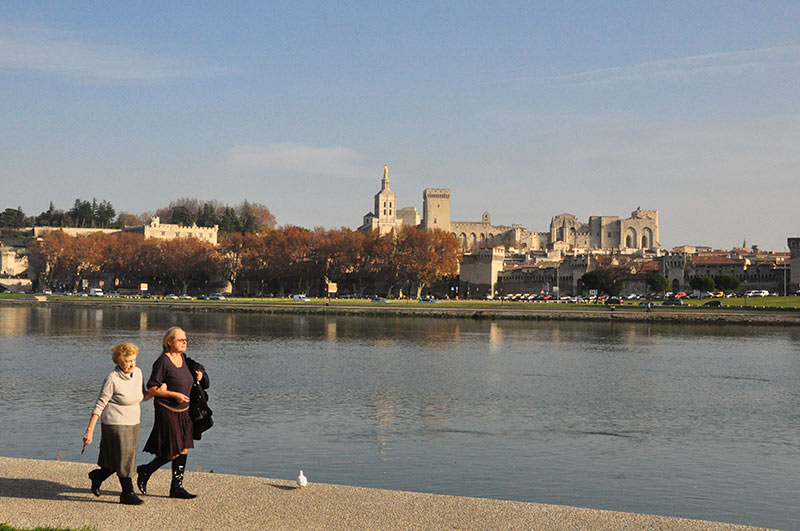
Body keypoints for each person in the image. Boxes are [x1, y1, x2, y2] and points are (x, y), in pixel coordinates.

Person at [137, 327, 208, 499]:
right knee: (173, 450)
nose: (185, 342)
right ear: (169, 342)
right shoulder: (162, 362)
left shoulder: (183, 358)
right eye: (180, 339)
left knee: (183, 448)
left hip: (185, 411)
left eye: (185, 339)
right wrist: (173, 394)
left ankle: (177, 488)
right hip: (167, 410)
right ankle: (146, 470)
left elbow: (188, 379)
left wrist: (198, 378)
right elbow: (152, 387)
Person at [83, 342, 154, 505]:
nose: (132, 364)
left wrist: (157, 392)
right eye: (128, 360)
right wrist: (90, 431)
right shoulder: (112, 379)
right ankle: (127, 493)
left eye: (134, 360)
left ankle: (98, 476)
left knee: (119, 458)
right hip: (115, 422)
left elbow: (142, 396)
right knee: (124, 457)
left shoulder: (138, 373)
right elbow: (100, 404)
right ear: (119, 361)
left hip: (134, 421)